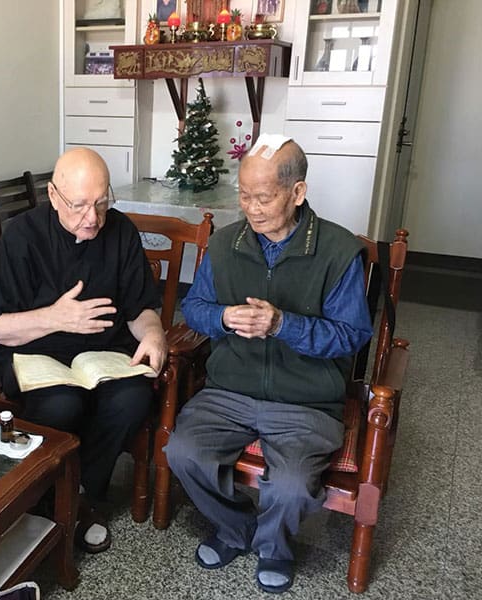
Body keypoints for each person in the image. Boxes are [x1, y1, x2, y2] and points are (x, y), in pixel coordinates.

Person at [165, 135, 373, 593]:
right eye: (243, 195)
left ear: (297, 193)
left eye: (264, 197)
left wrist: (283, 325)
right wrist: (221, 316)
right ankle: (237, 530)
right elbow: (195, 307)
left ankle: (275, 546)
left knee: (292, 486)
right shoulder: (223, 245)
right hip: (229, 391)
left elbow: (352, 336)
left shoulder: (338, 252)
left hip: (307, 399)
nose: (252, 209)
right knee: (182, 454)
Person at [0, 147, 167, 553]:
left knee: (132, 399)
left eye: (101, 202)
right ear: (52, 195)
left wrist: (153, 334)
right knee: (64, 404)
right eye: (79, 206)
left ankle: (77, 494)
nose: (93, 218)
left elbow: (139, 309)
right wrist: (57, 318)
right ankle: (50, 493)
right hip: (36, 353)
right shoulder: (21, 236)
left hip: (103, 354)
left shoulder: (120, 231)